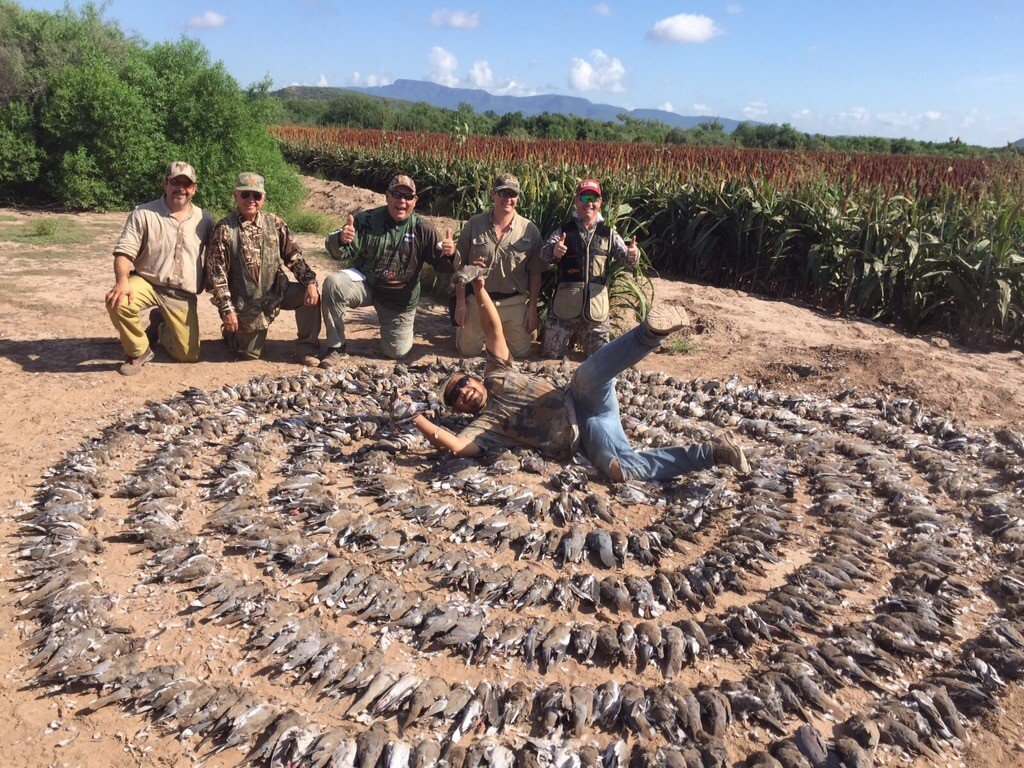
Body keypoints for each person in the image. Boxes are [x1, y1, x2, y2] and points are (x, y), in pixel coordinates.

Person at [401, 273, 749, 483]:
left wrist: (479, 288)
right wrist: (416, 419)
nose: (463, 392)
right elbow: (457, 446)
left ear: (474, 377)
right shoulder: (482, 430)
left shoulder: (497, 372)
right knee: (617, 470)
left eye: (462, 382)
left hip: (581, 398)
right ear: (460, 411)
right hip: (585, 436)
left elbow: (492, 328)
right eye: (455, 397)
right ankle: (713, 454)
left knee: (586, 374)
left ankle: (650, 333)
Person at [319, 174, 455, 365]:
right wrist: (341, 239)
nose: (402, 201)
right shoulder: (367, 220)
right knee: (333, 284)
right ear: (387, 196)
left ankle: (392, 332)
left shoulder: (423, 229)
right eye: (397, 194)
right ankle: (336, 346)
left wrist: (450, 254)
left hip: (399, 298)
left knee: (396, 353)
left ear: (415, 201)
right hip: (366, 284)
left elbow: (444, 268)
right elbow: (338, 252)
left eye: (408, 197)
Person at [105, 161, 215, 375]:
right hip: (148, 281)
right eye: (175, 182)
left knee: (188, 356)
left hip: (181, 292)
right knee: (118, 301)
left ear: (194, 188)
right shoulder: (144, 212)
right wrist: (122, 281)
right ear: (165, 183)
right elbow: (124, 252)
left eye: (187, 184)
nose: (180, 188)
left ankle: (160, 326)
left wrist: (203, 281)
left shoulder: (205, 218)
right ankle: (138, 351)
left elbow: (213, 256)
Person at [204, 173, 321, 365]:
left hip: (276, 291)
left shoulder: (274, 223)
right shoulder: (224, 229)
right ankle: (231, 333)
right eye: (245, 195)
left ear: (263, 199)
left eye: (256, 196)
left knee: (310, 295)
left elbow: (293, 257)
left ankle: (307, 349)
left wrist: (310, 282)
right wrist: (226, 309)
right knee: (250, 355)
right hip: (245, 303)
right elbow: (217, 275)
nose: (251, 200)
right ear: (236, 196)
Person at [538, 178, 640, 359]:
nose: (589, 203)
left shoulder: (609, 234)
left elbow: (628, 259)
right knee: (549, 358)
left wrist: (633, 255)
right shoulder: (563, 231)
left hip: (596, 312)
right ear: (577, 200)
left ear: (600, 203)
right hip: (564, 310)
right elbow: (543, 256)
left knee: (600, 361)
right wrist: (554, 251)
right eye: (584, 198)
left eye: (594, 198)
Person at [451, 173, 543, 359]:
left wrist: (532, 308)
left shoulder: (529, 229)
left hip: (512, 301)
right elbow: (459, 266)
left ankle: (503, 332)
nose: (508, 199)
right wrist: (460, 302)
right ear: (493, 194)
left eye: (513, 194)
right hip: (479, 299)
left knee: (521, 353)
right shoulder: (474, 224)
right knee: (467, 351)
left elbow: (535, 272)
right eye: (503, 193)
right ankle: (464, 330)